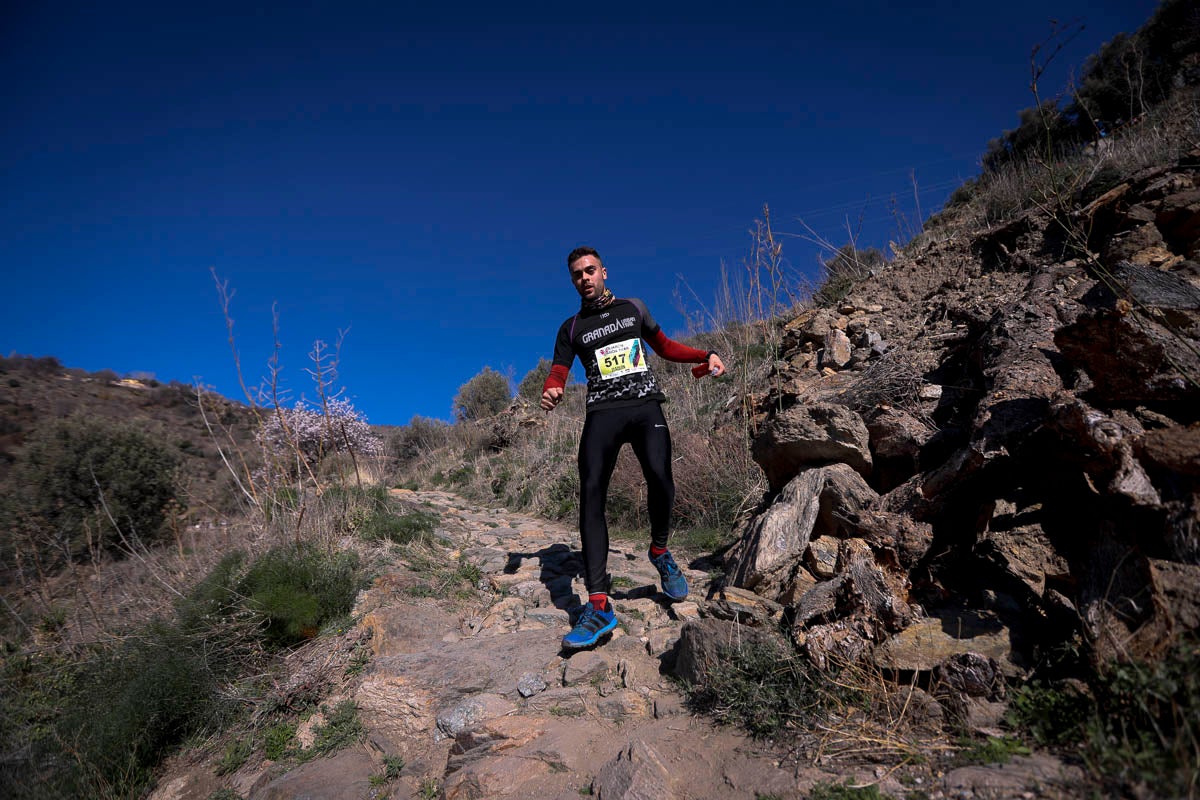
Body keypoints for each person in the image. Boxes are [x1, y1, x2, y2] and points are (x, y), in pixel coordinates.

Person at [541, 246, 725, 649]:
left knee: (660, 477)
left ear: (604, 272)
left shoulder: (632, 308)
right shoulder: (571, 328)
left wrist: (704, 354)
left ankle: (659, 551)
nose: (584, 278)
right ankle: (599, 604)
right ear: (572, 281)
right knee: (591, 494)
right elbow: (559, 369)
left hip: (644, 406)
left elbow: (665, 346)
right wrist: (552, 387)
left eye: (590, 270)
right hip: (602, 412)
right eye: (576, 275)